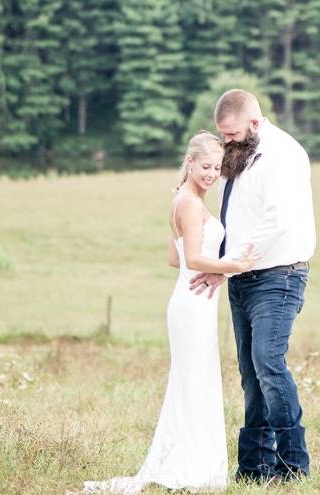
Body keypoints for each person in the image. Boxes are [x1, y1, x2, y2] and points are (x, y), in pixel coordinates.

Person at [81, 131, 259, 494]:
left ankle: (194, 459)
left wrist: (215, 269)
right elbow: (192, 259)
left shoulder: (185, 198)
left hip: (191, 298)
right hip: (192, 304)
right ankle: (192, 465)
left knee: (195, 378)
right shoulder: (191, 204)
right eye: (206, 166)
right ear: (190, 163)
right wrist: (233, 265)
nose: (212, 173)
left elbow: (173, 258)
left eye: (217, 167)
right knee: (194, 378)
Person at [190, 89, 316, 483]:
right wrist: (225, 267)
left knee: (268, 364)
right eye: (222, 135)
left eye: (231, 135)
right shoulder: (244, 154)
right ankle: (253, 467)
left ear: (256, 123)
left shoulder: (283, 155)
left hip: (278, 276)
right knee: (249, 371)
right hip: (242, 279)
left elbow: (276, 221)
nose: (226, 142)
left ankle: (293, 467)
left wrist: (228, 265)